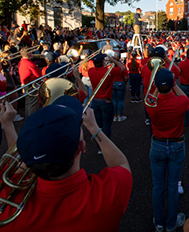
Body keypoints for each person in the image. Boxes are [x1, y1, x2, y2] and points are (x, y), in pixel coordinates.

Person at [0, 96, 132, 232]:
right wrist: (94, 128)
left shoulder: (7, 206)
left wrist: (8, 125)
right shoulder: (109, 193)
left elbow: (14, 166)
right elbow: (121, 164)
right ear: (82, 146)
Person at [146, 69, 189, 232]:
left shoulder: (151, 104)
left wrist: (158, 85)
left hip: (157, 145)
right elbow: (184, 96)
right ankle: (171, 223)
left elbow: (152, 96)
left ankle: (158, 222)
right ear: (172, 84)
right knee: (172, 186)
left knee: (158, 186)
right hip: (176, 145)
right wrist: (174, 85)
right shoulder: (181, 102)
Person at [88, 53, 125, 140]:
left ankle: (99, 146)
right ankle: (106, 145)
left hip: (95, 101)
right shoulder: (109, 71)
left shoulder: (90, 71)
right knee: (107, 126)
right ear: (102, 62)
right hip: (106, 101)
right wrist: (112, 60)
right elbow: (122, 67)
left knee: (98, 125)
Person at [18, 47, 42, 117]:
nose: (32, 54)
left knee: (28, 103)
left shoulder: (21, 62)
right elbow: (38, 75)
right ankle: (32, 119)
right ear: (28, 54)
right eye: (31, 53)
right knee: (33, 104)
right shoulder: (29, 63)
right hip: (31, 86)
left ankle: (28, 118)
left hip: (25, 85)